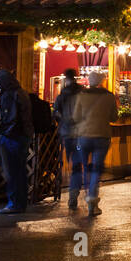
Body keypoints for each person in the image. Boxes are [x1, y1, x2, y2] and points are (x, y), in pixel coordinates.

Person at [71, 71, 119, 216]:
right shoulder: (109, 96)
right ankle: (92, 200)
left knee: (83, 167)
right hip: (102, 136)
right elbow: (114, 118)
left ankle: (76, 195)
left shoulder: (81, 95)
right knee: (96, 170)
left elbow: (75, 117)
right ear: (102, 81)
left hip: (84, 136)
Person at [0, 68, 34, 215]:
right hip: (23, 136)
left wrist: (1, 130)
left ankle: (14, 203)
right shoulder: (21, 92)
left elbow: (10, 119)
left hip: (12, 137)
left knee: (12, 171)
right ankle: (20, 203)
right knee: (20, 171)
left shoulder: (9, 95)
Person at [53, 69, 84, 210]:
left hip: (66, 134)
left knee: (66, 163)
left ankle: (63, 191)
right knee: (77, 165)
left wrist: (63, 119)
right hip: (80, 134)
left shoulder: (62, 95)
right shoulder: (83, 93)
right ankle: (73, 194)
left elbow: (55, 112)